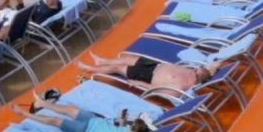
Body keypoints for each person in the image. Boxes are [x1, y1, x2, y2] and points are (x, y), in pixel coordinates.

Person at [11, 91, 152, 132]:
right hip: (95, 120)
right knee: (68, 109)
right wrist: (122, 121)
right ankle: (43, 104)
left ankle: (24, 113)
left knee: (55, 120)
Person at [78, 51, 218, 92]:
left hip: (147, 76)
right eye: (196, 69)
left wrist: (138, 83)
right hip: (154, 65)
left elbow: (157, 89)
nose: (194, 69)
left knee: (119, 68)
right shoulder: (195, 72)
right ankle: (101, 61)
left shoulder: (182, 87)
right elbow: (214, 66)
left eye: (197, 71)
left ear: (199, 78)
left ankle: (91, 69)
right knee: (127, 58)